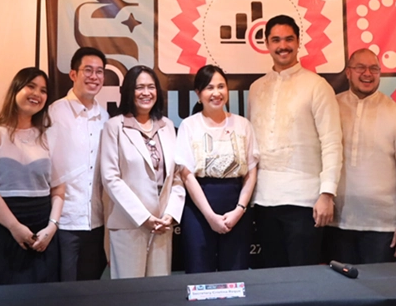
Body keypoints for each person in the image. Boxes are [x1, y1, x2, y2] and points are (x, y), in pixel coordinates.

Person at [248, 14, 342, 268]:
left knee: (305, 279)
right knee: (273, 277)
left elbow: (332, 142)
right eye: (276, 40)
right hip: (264, 199)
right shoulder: (256, 88)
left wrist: (327, 194)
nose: (283, 46)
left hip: (305, 201)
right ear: (266, 44)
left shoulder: (317, 86)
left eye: (289, 39)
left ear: (299, 42)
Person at [327, 49, 396, 263]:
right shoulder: (331, 106)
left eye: (374, 69)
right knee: (342, 293)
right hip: (336, 224)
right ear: (348, 73)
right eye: (360, 67)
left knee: (381, 293)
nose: (367, 74)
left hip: (383, 228)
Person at [0, 68, 64, 285]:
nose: (37, 94)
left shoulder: (49, 135)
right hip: (2, 227)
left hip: (42, 231)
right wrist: (14, 226)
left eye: (43, 90)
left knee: (42, 302)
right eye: (30, 86)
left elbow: (59, 188)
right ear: (16, 89)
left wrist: (52, 227)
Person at [99, 65, 185, 278]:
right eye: (139, 87)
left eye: (151, 87)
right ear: (129, 91)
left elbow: (177, 177)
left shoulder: (167, 126)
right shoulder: (114, 127)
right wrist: (143, 217)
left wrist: (170, 215)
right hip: (129, 224)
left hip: (162, 226)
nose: (146, 93)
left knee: (158, 293)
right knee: (129, 296)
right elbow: (111, 179)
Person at [175, 65, 259, 273]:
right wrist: (210, 215)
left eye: (221, 86)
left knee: (236, 273)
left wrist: (239, 209)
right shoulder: (189, 125)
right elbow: (186, 175)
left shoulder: (242, 125)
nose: (216, 93)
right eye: (209, 87)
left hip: (236, 207)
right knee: (199, 272)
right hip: (199, 209)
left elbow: (251, 171)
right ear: (198, 94)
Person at [46, 47, 110, 281]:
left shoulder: (105, 118)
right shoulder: (55, 112)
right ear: (73, 74)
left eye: (100, 72)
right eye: (88, 70)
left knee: (91, 291)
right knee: (64, 294)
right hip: (65, 223)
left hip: (97, 222)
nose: (94, 77)